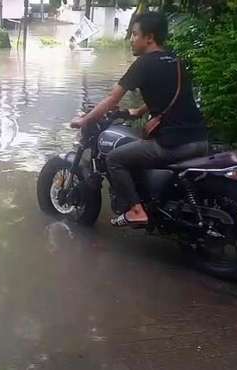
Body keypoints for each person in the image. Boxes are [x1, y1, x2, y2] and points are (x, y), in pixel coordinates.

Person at [70, 12, 208, 227]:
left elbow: (112, 98)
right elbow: (174, 96)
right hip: (200, 139)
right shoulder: (176, 61)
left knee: (114, 159)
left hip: (174, 145)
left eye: (134, 34)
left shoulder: (144, 64)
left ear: (149, 38)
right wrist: (139, 111)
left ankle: (136, 210)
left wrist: (85, 120)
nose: (131, 39)